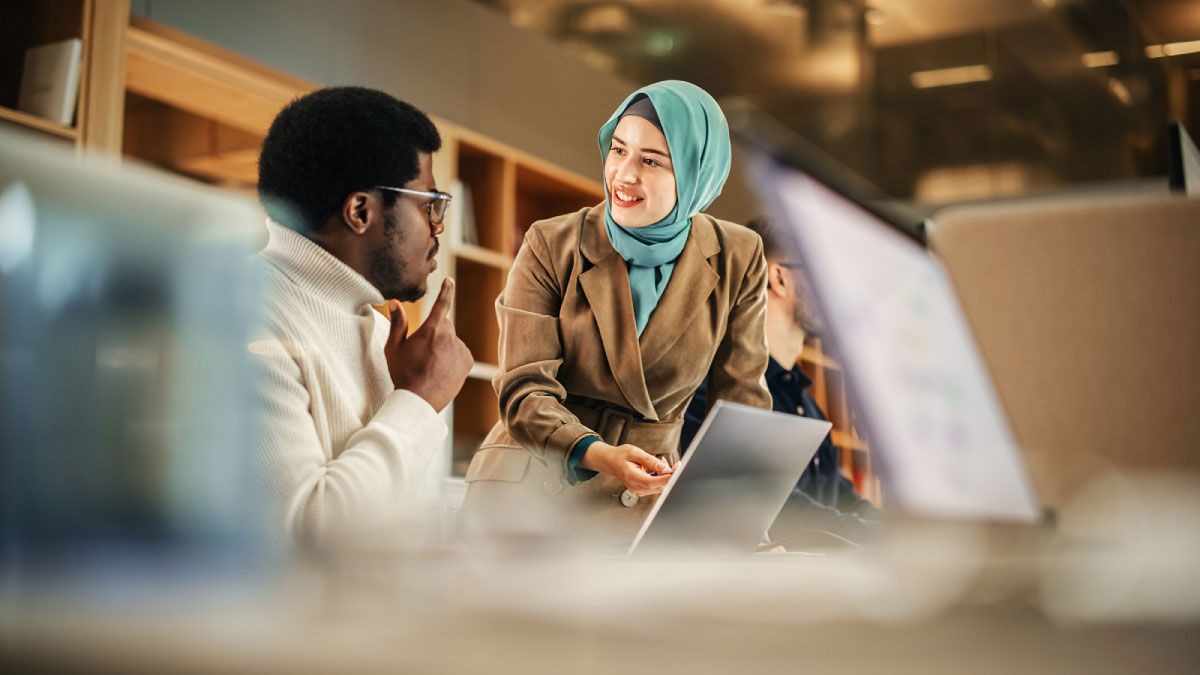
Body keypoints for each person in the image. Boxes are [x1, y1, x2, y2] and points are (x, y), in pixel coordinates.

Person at [458, 80, 771, 550]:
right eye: (618, 150)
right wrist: (597, 453)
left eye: (650, 161)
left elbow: (741, 408)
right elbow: (524, 390)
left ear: (695, 172)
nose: (623, 175)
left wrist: (747, 526)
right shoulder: (551, 242)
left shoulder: (738, 255)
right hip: (533, 490)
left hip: (644, 500)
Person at [250, 86, 472, 548]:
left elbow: (406, 526)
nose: (439, 227)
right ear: (360, 211)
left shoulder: (378, 332)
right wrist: (418, 400)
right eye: (429, 204)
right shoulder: (247, 317)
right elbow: (305, 539)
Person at [680, 217, 881, 547]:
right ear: (780, 277)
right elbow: (770, 509)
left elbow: (841, 497)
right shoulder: (713, 390)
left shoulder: (808, 404)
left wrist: (894, 529)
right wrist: (873, 535)